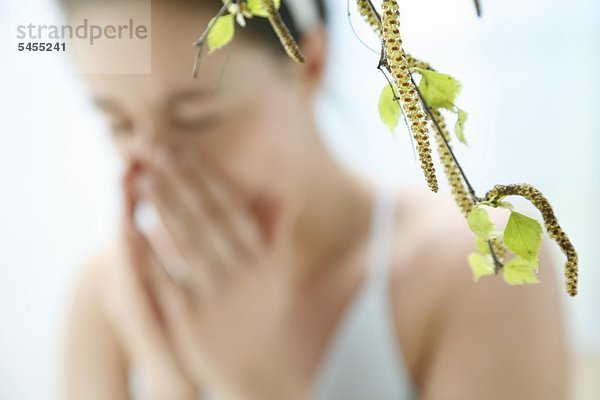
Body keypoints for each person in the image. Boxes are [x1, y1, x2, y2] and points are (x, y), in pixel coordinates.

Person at [60, 0, 570, 399]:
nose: (155, 166)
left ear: (309, 64)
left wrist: (258, 386)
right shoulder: (106, 300)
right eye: (117, 123)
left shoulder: (484, 265)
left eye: (196, 118)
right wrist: (170, 387)